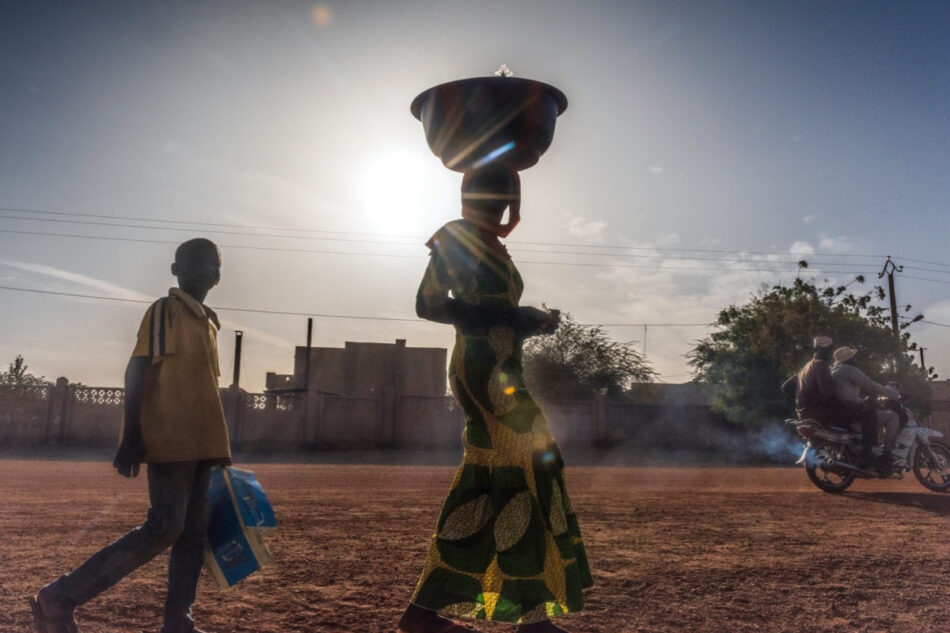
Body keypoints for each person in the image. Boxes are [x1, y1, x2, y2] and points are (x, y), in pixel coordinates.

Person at [398, 165, 593, 633]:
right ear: (472, 194)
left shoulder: (491, 246)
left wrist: (537, 322)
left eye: (507, 194)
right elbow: (427, 303)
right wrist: (511, 314)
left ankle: (425, 613)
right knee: (528, 465)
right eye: (495, 193)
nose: (503, 203)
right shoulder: (457, 237)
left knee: (492, 479)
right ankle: (530, 618)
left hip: (503, 366)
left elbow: (500, 313)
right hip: (481, 367)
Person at [30, 238, 232, 633]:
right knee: (165, 527)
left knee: (192, 535)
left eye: (210, 264)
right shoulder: (166, 310)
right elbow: (136, 370)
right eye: (193, 263)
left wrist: (217, 448)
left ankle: (179, 622)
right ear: (175, 270)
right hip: (169, 440)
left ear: (218, 276)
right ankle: (59, 597)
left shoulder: (209, 321)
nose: (202, 269)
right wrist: (131, 438)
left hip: (203, 443)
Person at [830, 346, 901, 470]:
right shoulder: (849, 370)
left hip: (837, 412)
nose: (855, 360)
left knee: (869, 411)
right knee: (892, 416)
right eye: (853, 358)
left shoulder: (833, 370)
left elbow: (845, 394)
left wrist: (862, 401)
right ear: (849, 359)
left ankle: (869, 451)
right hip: (850, 412)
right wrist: (895, 394)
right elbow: (872, 385)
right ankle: (886, 454)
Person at [783, 336, 836, 427]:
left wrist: (802, 401)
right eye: (827, 349)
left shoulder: (805, 367)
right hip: (819, 415)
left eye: (831, 349)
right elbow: (827, 393)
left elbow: (785, 387)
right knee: (865, 409)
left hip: (803, 415)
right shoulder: (820, 365)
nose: (830, 352)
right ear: (817, 349)